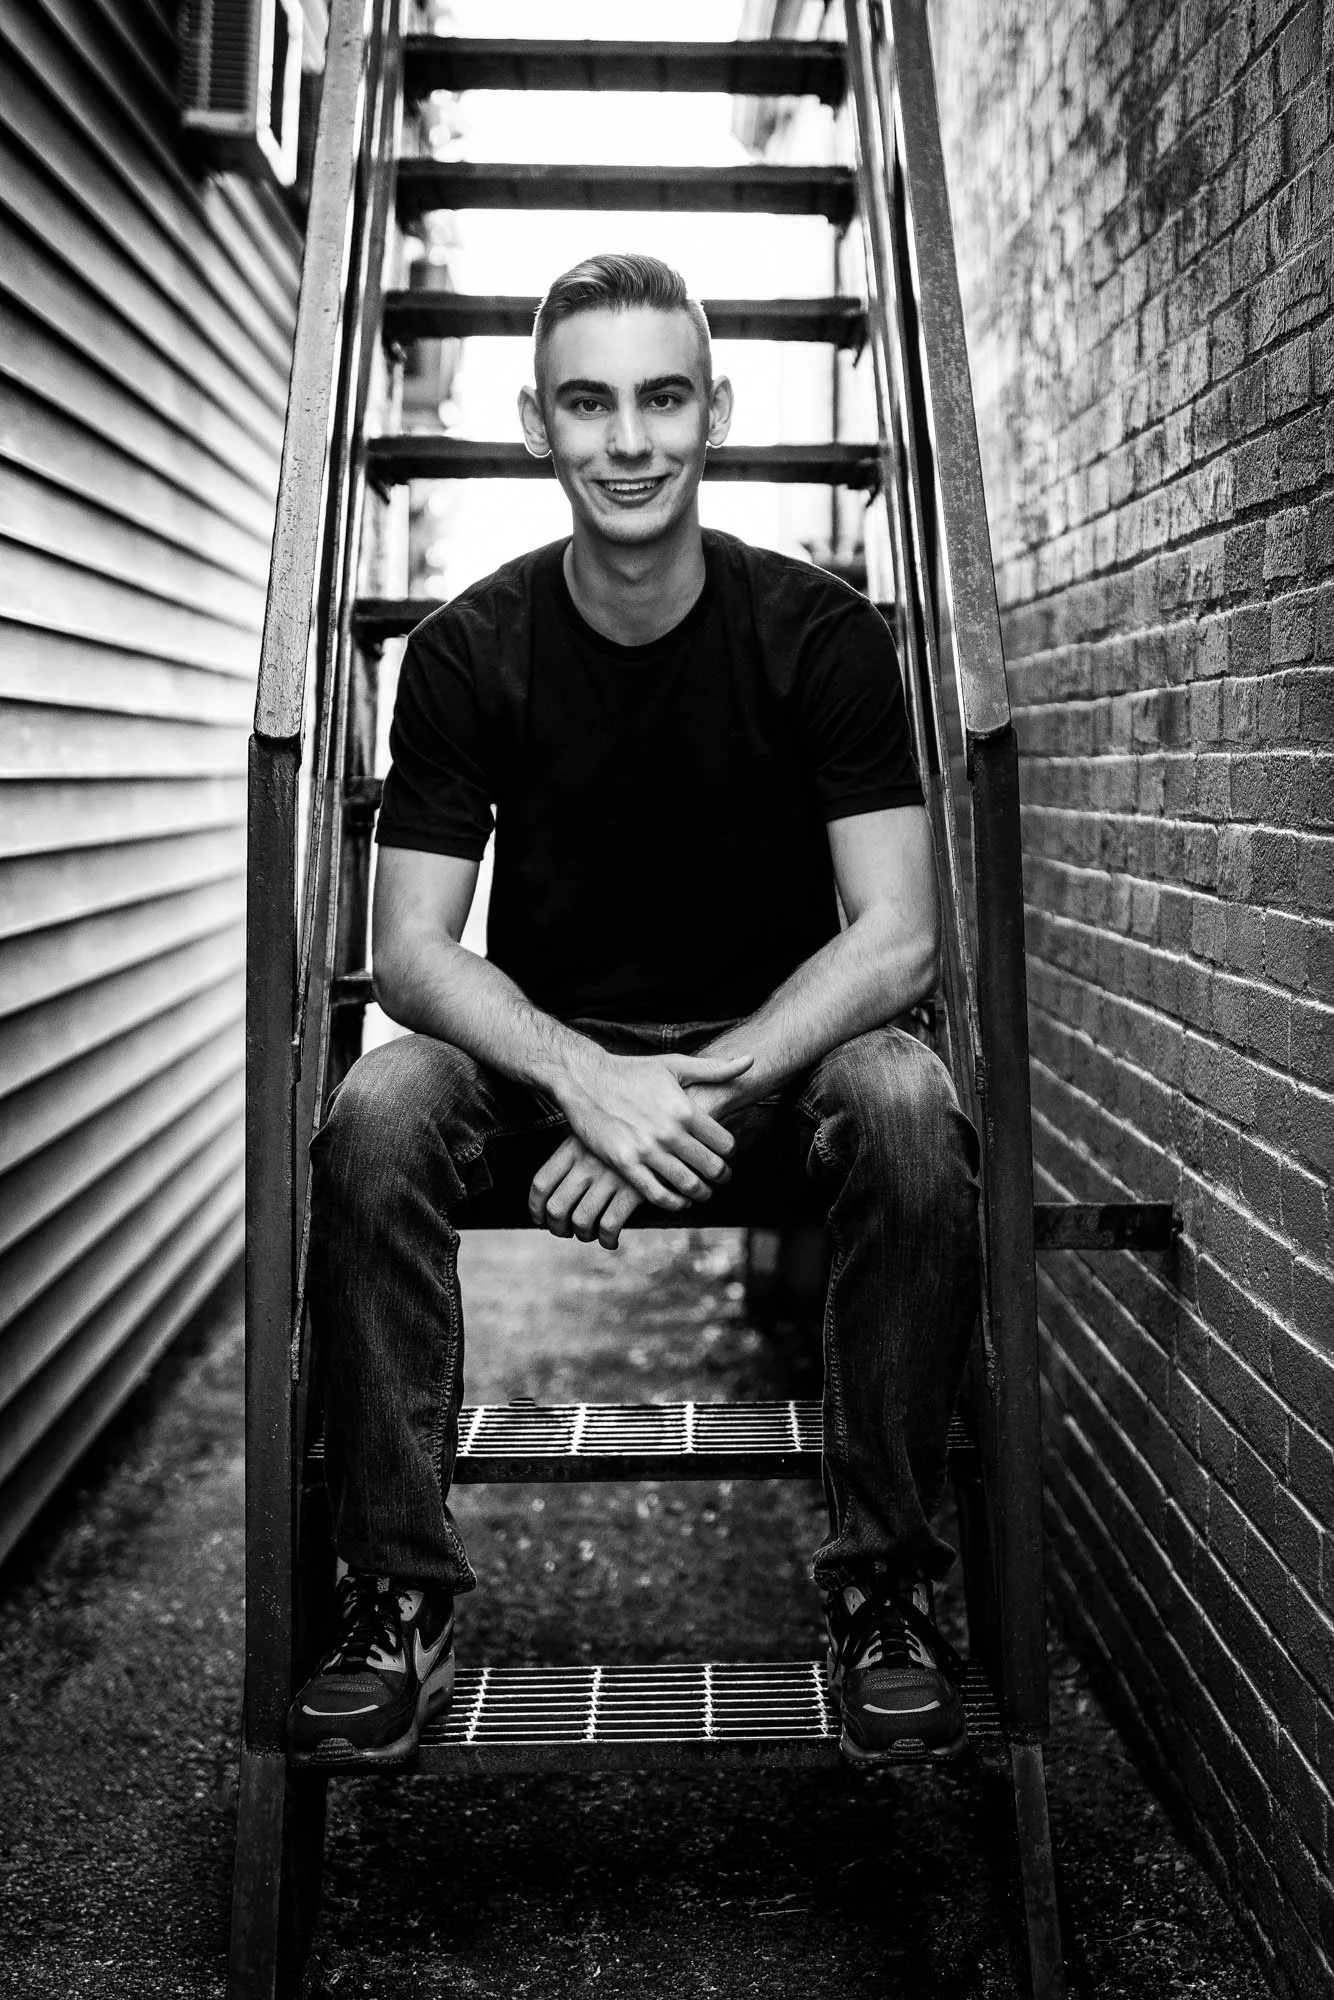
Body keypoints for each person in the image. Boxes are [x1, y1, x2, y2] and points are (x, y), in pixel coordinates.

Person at [288, 253, 980, 1773]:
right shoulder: (469, 650)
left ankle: (885, 1592)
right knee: (379, 1110)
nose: (629, 439)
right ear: (536, 423)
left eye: (661, 397)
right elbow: (409, 953)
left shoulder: (820, 637)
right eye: (588, 402)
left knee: (910, 1104)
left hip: (775, 1061)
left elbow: (897, 939)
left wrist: (680, 1096)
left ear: (713, 410)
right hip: (550, 1067)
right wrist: (585, 1078)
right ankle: (396, 1592)